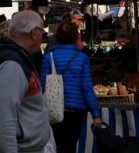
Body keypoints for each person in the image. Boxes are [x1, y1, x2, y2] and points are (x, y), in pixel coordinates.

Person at [0, 10, 53, 153]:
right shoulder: (12, 64)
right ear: (34, 33)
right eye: (42, 34)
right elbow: (4, 120)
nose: (42, 39)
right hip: (18, 148)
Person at [40, 22, 103, 153]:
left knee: (57, 144)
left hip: (54, 109)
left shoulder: (48, 57)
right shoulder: (82, 58)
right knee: (71, 144)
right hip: (76, 111)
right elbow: (87, 88)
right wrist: (95, 114)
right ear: (76, 36)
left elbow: (42, 86)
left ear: (57, 37)